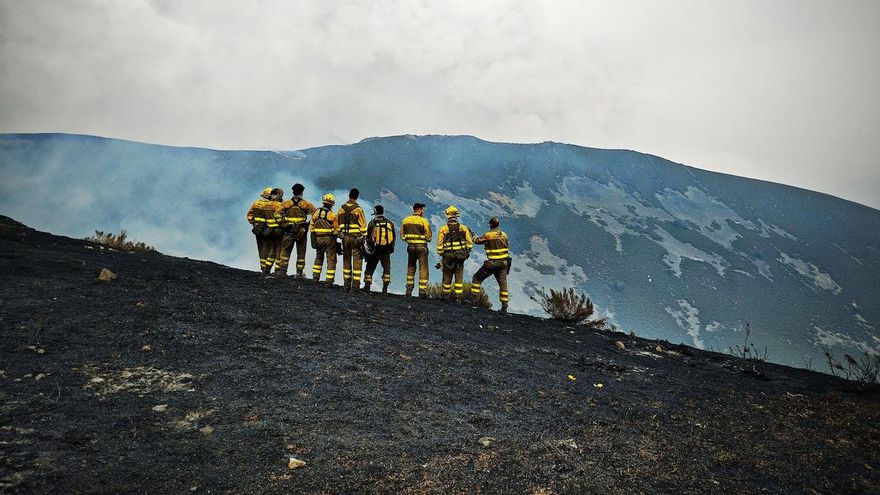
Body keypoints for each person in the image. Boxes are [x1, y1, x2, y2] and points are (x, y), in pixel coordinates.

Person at [275, 183, 317, 277]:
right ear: (302, 192)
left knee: (285, 252)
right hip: (301, 231)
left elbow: (277, 214)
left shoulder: (286, 203)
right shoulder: (306, 204)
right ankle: (299, 273)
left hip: (288, 231)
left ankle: (282, 271)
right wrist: (307, 225)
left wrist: (283, 224)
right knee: (301, 253)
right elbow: (316, 214)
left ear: (293, 191)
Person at [471, 216, 511, 312]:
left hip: (492, 264)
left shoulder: (489, 235)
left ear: (490, 225)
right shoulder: (504, 234)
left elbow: (476, 241)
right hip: (504, 263)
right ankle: (504, 306)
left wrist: (471, 233)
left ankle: (474, 301)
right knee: (503, 285)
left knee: (476, 278)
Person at [436, 205, 473, 301]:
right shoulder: (463, 228)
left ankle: (445, 296)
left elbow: (439, 244)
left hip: (448, 256)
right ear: (457, 216)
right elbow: (469, 243)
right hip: (460, 255)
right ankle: (458, 298)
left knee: (447, 277)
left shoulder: (443, 229)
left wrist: (441, 254)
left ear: (447, 216)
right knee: (459, 277)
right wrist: (467, 252)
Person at [334, 188, 368, 291]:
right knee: (357, 261)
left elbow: (336, 224)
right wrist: (364, 237)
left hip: (345, 238)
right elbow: (363, 226)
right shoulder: (358, 209)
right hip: (356, 238)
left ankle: (346, 285)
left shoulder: (341, 209)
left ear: (349, 196)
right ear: (357, 197)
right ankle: (355, 286)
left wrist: (340, 234)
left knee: (346, 261)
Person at [246, 187, 284, 275]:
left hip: (258, 229)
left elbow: (249, 215)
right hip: (268, 229)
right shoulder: (272, 204)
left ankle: (263, 268)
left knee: (261, 249)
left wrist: (254, 223)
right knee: (270, 248)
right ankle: (268, 268)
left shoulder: (256, 203)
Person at [400, 202, 432, 298]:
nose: (424, 211)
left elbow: (402, 236)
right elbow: (429, 238)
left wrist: (409, 240)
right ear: (420, 210)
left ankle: (408, 291)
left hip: (410, 247)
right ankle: (422, 293)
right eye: (423, 210)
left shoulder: (405, 220)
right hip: (422, 248)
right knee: (423, 269)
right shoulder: (424, 221)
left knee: (411, 268)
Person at [362, 205, 396, 293]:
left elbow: (368, 237)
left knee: (370, 268)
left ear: (375, 212)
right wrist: (390, 249)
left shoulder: (372, 223)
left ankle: (367, 287)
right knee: (387, 269)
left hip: (375, 250)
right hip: (386, 250)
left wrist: (368, 250)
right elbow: (394, 238)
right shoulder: (389, 223)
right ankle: (385, 289)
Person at [310, 193, 338, 286]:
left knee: (318, 258)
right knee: (331, 260)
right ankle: (329, 282)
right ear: (332, 204)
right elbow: (336, 229)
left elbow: (311, 226)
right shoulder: (332, 215)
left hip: (318, 239)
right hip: (329, 239)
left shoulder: (316, 213)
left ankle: (315, 279)